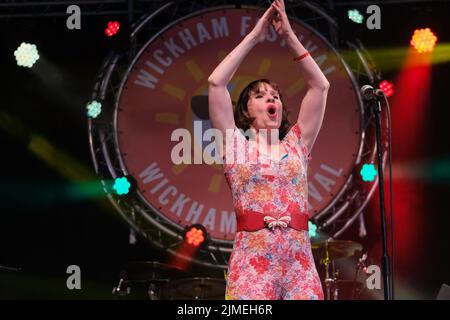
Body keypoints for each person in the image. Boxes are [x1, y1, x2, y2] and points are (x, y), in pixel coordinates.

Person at [208, 0, 329, 300]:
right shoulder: (234, 144)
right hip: (252, 264)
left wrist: (288, 36)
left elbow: (320, 87)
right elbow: (215, 83)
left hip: (300, 266)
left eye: (274, 95)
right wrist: (255, 36)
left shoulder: (297, 143)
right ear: (246, 110)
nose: (270, 99)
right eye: (260, 96)